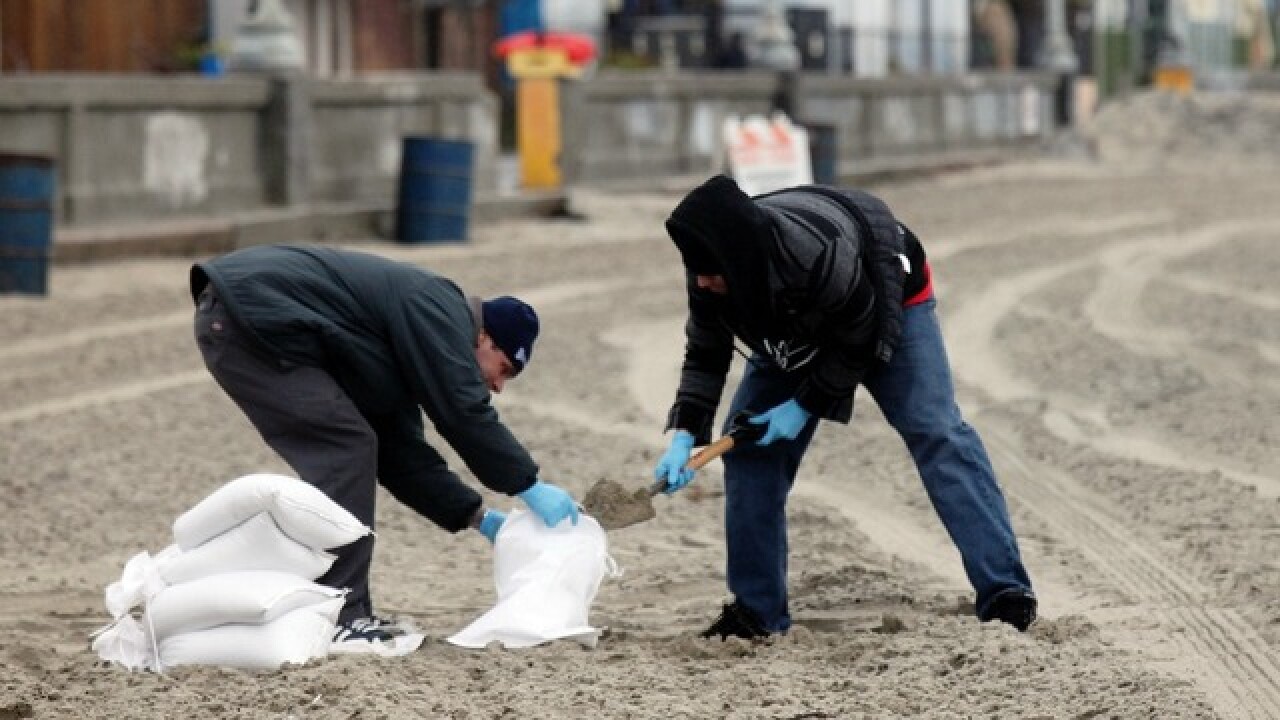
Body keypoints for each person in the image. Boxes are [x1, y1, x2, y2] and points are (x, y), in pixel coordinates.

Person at [653, 175, 1036, 640]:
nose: (701, 281)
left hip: (884, 297)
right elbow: (706, 353)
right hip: (796, 320)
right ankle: (757, 613)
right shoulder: (712, 263)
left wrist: (802, 405)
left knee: (935, 430)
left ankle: (1005, 593)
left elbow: (862, 341)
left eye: (711, 273)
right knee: (750, 451)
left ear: (739, 260)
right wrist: (685, 433)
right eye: (696, 271)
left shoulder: (816, 251)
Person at [190, 244, 579, 655]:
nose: (498, 387)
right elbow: (463, 410)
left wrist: (478, 517)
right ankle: (341, 616)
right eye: (504, 370)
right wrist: (527, 484)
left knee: (359, 443)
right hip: (250, 315)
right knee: (345, 447)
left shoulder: (400, 350)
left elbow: (401, 456)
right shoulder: (439, 308)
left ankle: (337, 609)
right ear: (483, 336)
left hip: (255, 318)